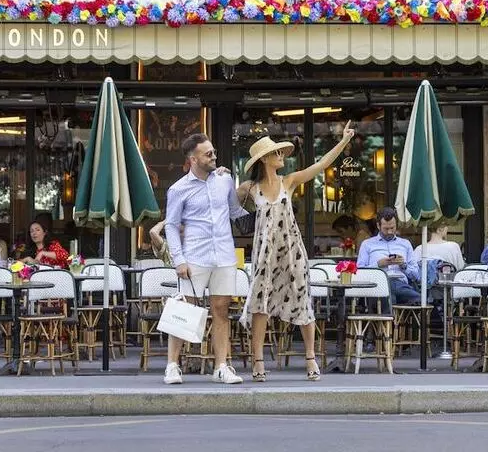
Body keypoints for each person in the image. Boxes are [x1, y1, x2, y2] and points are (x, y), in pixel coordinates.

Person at [238, 121, 356, 383]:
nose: (281, 156)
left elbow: (321, 165)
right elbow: (225, 203)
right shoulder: (249, 188)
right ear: (265, 159)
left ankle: (311, 358)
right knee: (260, 305)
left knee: (303, 303)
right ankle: (258, 361)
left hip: (291, 252)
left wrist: (344, 141)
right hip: (264, 256)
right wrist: (220, 175)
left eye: (281, 152)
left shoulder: (288, 181)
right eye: (276, 153)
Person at [163, 133, 248, 385]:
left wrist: (265, 209)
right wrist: (178, 259)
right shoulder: (178, 189)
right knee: (184, 308)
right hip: (195, 256)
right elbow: (171, 225)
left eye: (213, 152)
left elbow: (234, 211)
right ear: (193, 159)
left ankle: (221, 366)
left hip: (223, 255)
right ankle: (172, 365)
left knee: (221, 311)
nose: (214, 156)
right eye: (208, 153)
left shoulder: (224, 180)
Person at [358, 207, 421, 305]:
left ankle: (393, 319)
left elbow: (416, 275)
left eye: (392, 228)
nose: (390, 232)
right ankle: (394, 319)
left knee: (420, 301)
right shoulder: (367, 244)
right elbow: (360, 272)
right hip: (378, 284)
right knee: (389, 295)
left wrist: (403, 265)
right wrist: (378, 265)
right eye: (386, 229)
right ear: (378, 226)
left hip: (401, 285)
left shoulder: (405, 244)